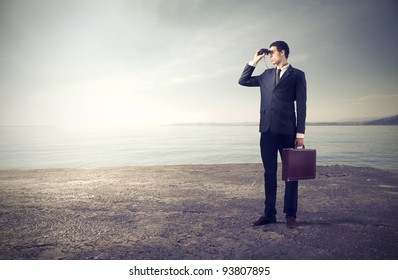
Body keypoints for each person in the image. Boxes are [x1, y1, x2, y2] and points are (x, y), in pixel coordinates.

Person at [238, 41, 307, 228]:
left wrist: (300, 133)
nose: (269, 55)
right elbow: (243, 81)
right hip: (267, 131)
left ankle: (290, 215)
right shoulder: (266, 75)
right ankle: (269, 214)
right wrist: (254, 61)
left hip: (288, 132)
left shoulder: (297, 75)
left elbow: (301, 105)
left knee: (290, 175)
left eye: (272, 52)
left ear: (282, 52)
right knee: (269, 173)